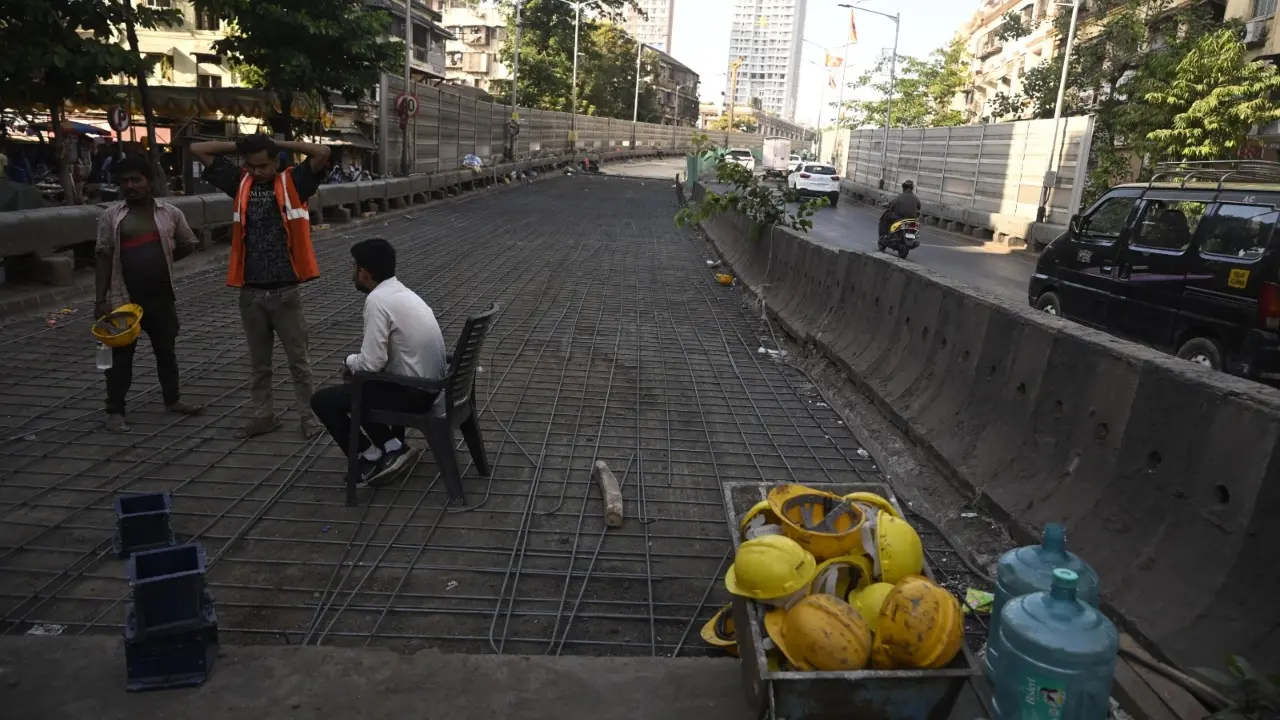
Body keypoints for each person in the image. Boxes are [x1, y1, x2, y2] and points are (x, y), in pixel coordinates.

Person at [191, 134, 331, 439]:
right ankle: (263, 416)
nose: (257, 172)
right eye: (251, 165)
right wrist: (243, 147)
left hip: (286, 291)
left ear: (276, 161)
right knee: (259, 364)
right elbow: (198, 148)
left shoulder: (295, 183)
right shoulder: (240, 183)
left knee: (299, 362)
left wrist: (281, 144)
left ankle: (309, 416)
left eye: (263, 165)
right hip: (251, 290)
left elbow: (322, 151)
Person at [311, 238, 448, 488]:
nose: (352, 274)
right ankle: (391, 446)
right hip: (432, 385)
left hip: (415, 392)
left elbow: (372, 362)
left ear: (364, 272)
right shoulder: (402, 292)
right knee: (359, 385)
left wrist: (348, 361)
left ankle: (368, 458)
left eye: (354, 268)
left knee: (324, 400)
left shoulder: (377, 301)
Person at [94, 156, 204, 432]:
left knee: (166, 351)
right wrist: (100, 299)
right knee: (118, 358)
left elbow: (189, 242)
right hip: (123, 299)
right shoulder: (112, 216)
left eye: (136, 180)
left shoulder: (170, 214)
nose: (129, 186)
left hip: (161, 296)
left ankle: (172, 400)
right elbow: (104, 256)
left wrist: (162, 260)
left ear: (150, 182)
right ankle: (115, 411)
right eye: (124, 182)